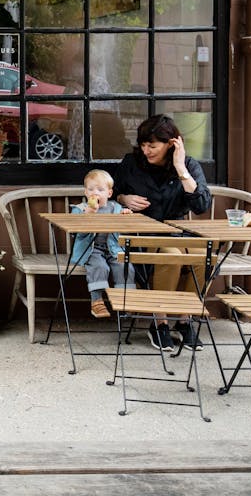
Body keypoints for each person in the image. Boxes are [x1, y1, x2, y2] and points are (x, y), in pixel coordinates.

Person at [113, 114, 211, 352]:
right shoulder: (131, 163)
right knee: (171, 255)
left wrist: (179, 168)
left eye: (152, 145)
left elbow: (201, 205)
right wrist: (123, 198)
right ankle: (160, 322)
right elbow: (112, 190)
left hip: (177, 230)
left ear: (172, 144)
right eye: (143, 144)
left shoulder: (187, 165)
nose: (146, 150)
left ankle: (184, 320)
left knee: (202, 255)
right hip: (142, 232)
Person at [69, 168, 133, 318]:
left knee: (125, 265)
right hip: (91, 249)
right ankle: (97, 302)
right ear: (85, 192)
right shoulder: (80, 209)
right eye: (90, 189)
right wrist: (89, 214)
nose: (94, 193)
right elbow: (78, 232)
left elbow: (124, 228)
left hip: (113, 248)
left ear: (109, 193)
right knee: (100, 267)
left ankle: (124, 300)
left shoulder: (115, 208)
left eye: (100, 189)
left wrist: (125, 216)